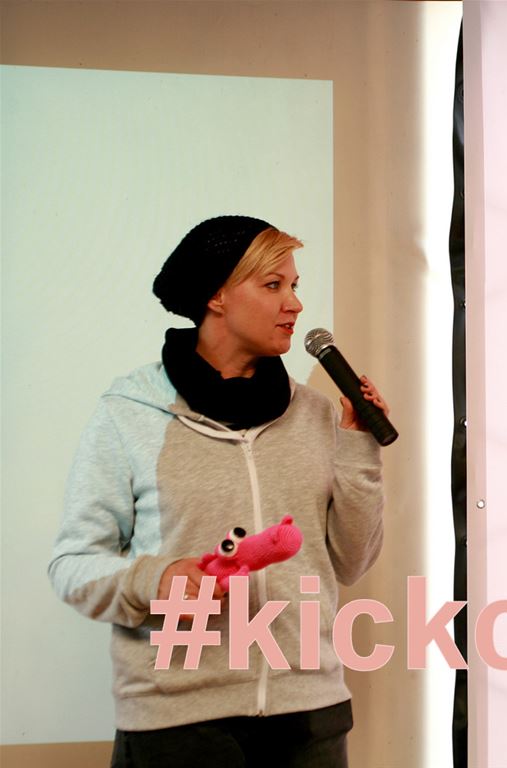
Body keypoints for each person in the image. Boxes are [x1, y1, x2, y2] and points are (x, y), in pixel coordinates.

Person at [48, 215, 388, 767]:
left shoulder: (317, 414)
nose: (296, 304)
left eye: (295, 285)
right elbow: (73, 563)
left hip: (310, 718)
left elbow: (351, 560)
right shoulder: (130, 413)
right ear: (217, 297)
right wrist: (156, 580)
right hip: (178, 726)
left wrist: (357, 445)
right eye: (273, 285)